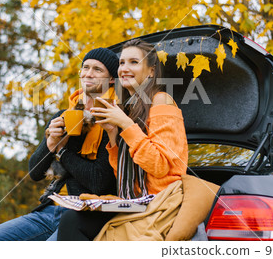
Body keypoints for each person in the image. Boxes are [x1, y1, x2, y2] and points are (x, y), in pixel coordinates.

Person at [0, 48, 119, 241]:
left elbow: (99, 183)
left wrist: (62, 151)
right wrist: (50, 144)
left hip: (84, 216)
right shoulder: (63, 117)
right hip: (50, 211)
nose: (89, 73)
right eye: (85, 67)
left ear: (111, 80)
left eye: (98, 70)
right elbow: (34, 172)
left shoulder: (112, 119)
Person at [57, 39, 188, 241]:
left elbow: (160, 166)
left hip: (159, 201)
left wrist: (126, 126)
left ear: (151, 71)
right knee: (73, 219)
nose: (124, 68)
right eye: (122, 63)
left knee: (72, 222)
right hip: (132, 200)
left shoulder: (161, 100)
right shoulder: (130, 107)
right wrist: (112, 133)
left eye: (134, 62)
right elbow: (123, 173)